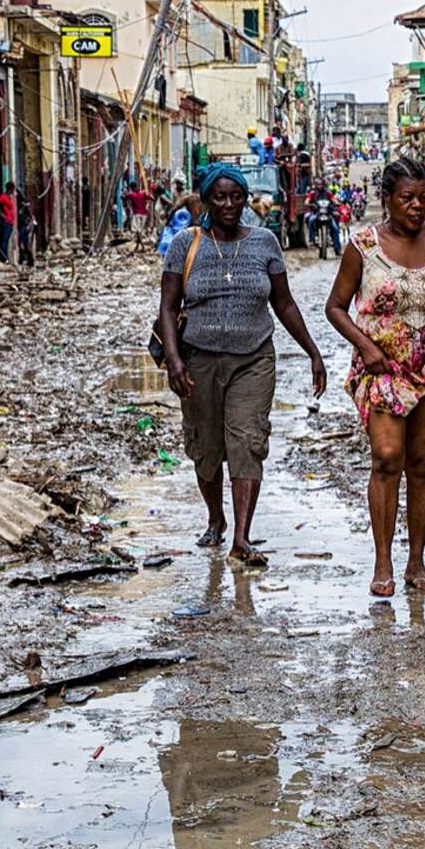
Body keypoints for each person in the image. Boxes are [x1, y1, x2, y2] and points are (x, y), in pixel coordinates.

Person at [159, 162, 327, 567]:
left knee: (247, 443)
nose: (230, 204)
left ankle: (241, 538)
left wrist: (313, 351)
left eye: (237, 196)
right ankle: (215, 518)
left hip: (253, 358)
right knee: (206, 447)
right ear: (205, 200)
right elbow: (167, 308)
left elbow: (283, 302)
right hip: (198, 361)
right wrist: (174, 361)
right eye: (220, 197)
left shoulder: (265, 242)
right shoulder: (185, 243)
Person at [325, 157, 425, 597]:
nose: (417, 206)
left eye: (424, 197)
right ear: (386, 199)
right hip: (384, 368)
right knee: (387, 457)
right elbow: (335, 306)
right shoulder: (363, 246)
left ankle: (417, 563)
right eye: (407, 198)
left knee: (423, 463)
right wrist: (366, 348)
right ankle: (383, 562)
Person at [0, 180, 17, 263]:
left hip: (10, 222)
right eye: (13, 189)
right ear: (10, 189)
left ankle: (5, 258)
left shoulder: (9, 197)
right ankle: (4, 258)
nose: (13, 191)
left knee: (6, 240)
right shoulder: (3, 197)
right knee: (4, 241)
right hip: (6, 222)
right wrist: (1, 214)